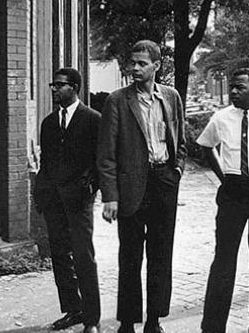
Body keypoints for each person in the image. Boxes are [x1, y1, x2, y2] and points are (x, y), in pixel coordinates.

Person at [97, 40, 187, 333]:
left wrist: (176, 171)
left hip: (163, 182)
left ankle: (154, 320)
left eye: (141, 63)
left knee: (162, 254)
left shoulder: (171, 97)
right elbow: (106, 153)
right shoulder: (118, 100)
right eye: (132, 62)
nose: (134, 68)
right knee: (130, 256)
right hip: (131, 187)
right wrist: (110, 196)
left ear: (156, 67)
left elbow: (180, 140)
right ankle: (127, 321)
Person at [197, 68, 249, 333]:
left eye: (240, 88)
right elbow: (205, 145)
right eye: (232, 87)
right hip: (232, 193)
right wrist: (223, 177)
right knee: (223, 261)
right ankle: (212, 327)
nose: (233, 92)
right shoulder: (221, 118)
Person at [34, 68, 101, 333]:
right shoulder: (49, 123)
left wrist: (90, 187)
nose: (54, 89)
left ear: (74, 87)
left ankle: (92, 319)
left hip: (79, 200)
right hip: (54, 200)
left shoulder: (93, 119)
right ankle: (73, 310)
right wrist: (41, 193)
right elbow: (46, 163)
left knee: (84, 256)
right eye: (53, 84)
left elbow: (101, 160)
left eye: (59, 85)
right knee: (60, 256)